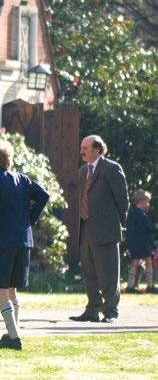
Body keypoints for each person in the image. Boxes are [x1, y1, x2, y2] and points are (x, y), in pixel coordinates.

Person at [0, 140, 49, 350]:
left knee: (0, 287)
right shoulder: (23, 179)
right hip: (23, 239)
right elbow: (43, 196)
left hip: (1, 240)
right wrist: (29, 219)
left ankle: (13, 336)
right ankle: (13, 332)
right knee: (12, 289)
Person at [70, 135, 129, 324]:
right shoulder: (82, 171)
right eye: (81, 147)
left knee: (108, 274)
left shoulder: (111, 168)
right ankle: (92, 310)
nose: (81, 151)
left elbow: (122, 199)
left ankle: (111, 311)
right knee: (89, 272)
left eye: (85, 148)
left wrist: (121, 224)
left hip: (106, 230)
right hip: (85, 228)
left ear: (97, 150)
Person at [125, 189, 156, 293]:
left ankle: (130, 286)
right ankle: (149, 286)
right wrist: (155, 227)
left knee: (136, 263)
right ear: (142, 201)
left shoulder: (132, 214)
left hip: (135, 243)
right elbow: (147, 228)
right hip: (142, 243)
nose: (148, 204)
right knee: (147, 263)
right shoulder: (141, 215)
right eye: (147, 201)